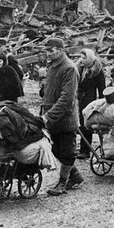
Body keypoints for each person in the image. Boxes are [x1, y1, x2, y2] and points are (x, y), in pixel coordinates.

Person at [39, 38, 83, 196]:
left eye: (51, 50)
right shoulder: (51, 66)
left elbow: (67, 99)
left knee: (66, 151)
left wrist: (48, 117)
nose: (48, 53)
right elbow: (49, 93)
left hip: (65, 118)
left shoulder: (69, 68)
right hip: (51, 115)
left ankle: (63, 183)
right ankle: (75, 175)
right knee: (54, 149)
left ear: (61, 50)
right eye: (47, 50)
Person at [76, 48, 106, 159]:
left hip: (89, 99)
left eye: (84, 58)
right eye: (81, 58)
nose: (82, 60)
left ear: (89, 57)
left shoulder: (97, 70)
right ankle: (76, 147)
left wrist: (102, 103)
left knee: (86, 124)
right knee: (76, 123)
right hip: (78, 97)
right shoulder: (79, 67)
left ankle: (85, 150)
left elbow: (102, 88)